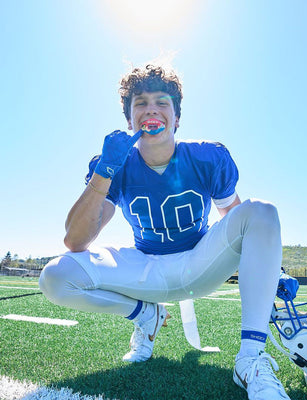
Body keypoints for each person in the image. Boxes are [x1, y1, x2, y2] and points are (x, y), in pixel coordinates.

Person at [39, 64, 290, 400]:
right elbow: (76, 240)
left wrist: (273, 269)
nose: (151, 109)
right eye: (140, 103)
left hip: (201, 262)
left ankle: (250, 359)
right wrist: (105, 171)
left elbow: (240, 218)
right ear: (129, 120)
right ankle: (146, 316)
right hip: (147, 268)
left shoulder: (207, 156)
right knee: (55, 276)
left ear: (176, 118)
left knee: (263, 210)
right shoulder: (115, 164)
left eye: (162, 102)